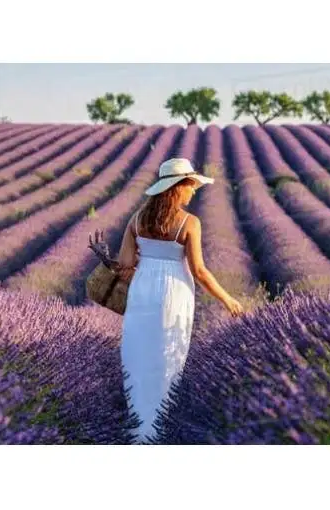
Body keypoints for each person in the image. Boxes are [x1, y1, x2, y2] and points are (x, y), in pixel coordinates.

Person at [114, 157, 244, 443]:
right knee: (167, 357)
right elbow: (199, 270)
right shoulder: (189, 223)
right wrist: (227, 299)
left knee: (138, 357)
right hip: (173, 293)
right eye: (192, 185)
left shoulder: (136, 219)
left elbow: (124, 267)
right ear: (178, 187)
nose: (194, 190)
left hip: (142, 290)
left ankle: (138, 431)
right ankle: (159, 431)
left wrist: (145, 265)